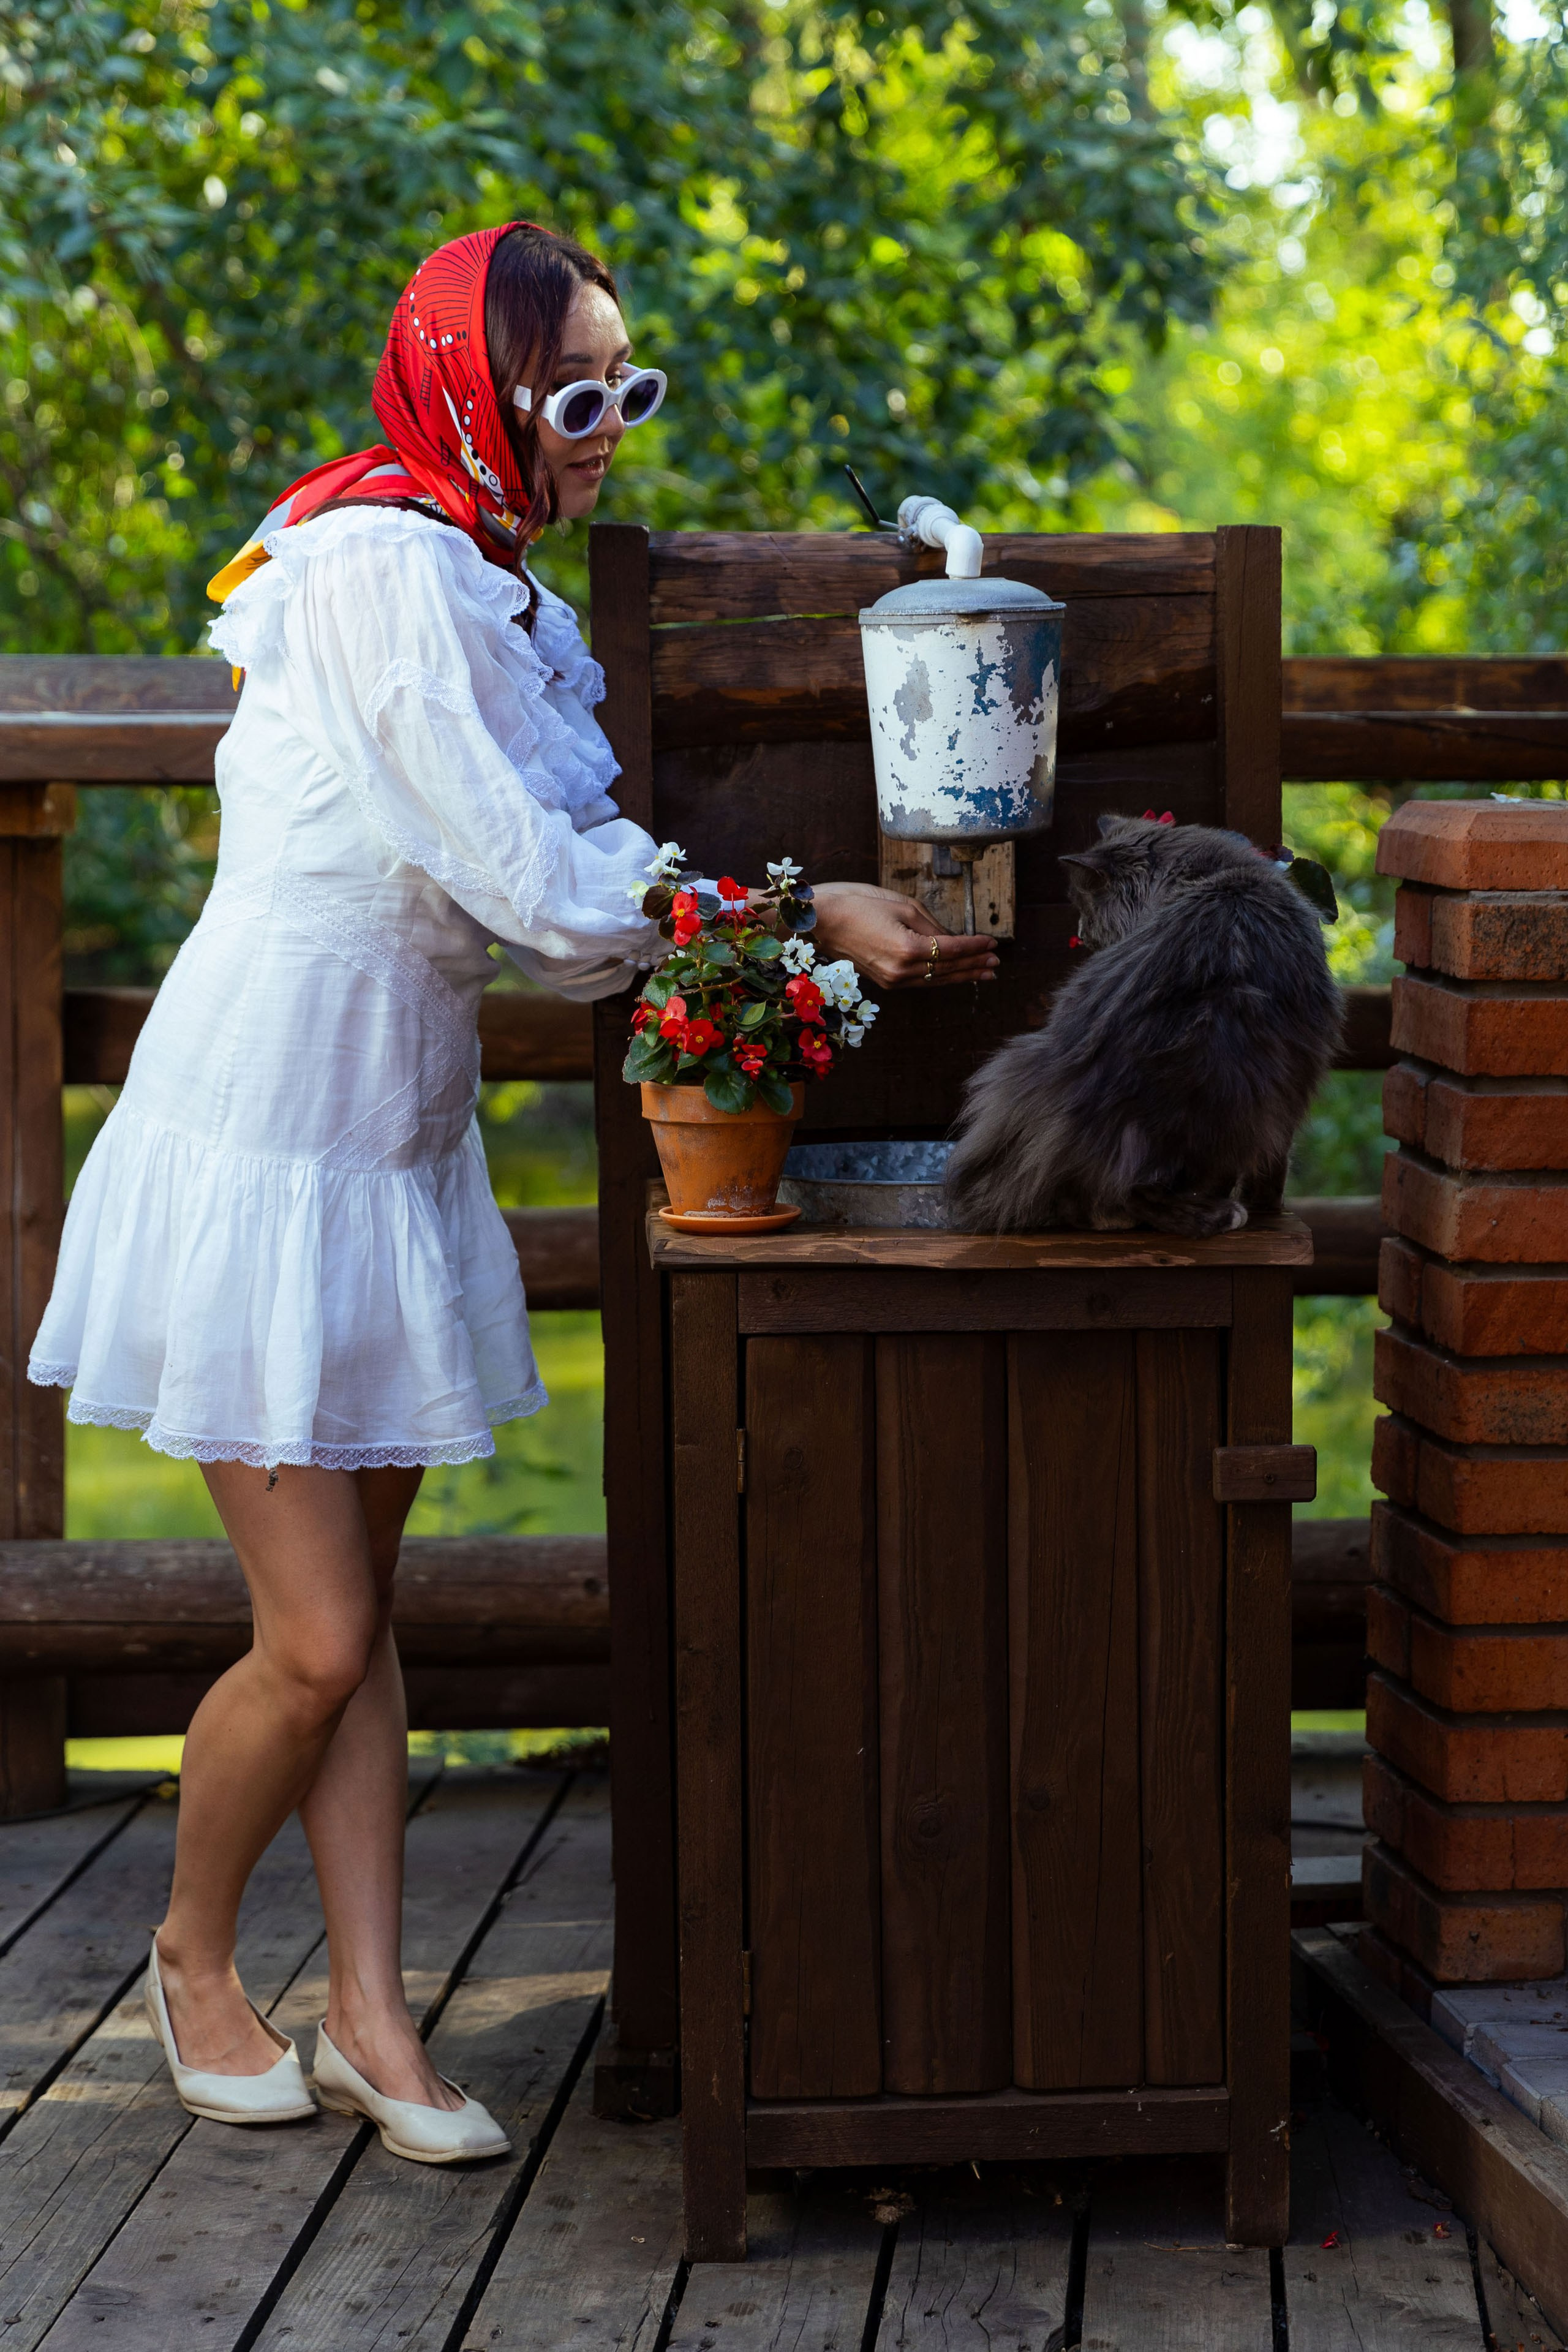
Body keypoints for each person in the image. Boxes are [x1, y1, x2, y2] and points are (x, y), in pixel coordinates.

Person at [28, 222, 998, 2162]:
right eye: (578, 397)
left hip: (383, 1139)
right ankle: (193, 1958)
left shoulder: (478, 576)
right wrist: (810, 906)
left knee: (362, 1613)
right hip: (260, 1140)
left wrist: (778, 909)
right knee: (311, 1639)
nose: (613, 429)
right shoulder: (386, 570)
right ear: (472, 390)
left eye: (631, 389)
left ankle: (377, 2019)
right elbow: (546, 897)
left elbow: (581, 844)